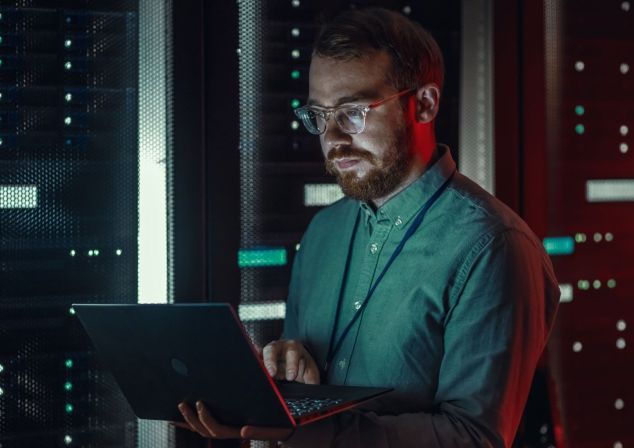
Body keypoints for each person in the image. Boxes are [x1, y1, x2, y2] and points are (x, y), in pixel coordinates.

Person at [177, 7, 560, 447]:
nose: (334, 139)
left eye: (354, 112)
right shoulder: (322, 233)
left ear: (425, 104)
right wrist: (287, 377)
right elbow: (306, 386)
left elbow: (474, 438)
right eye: (319, 115)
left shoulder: (494, 246)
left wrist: (308, 431)